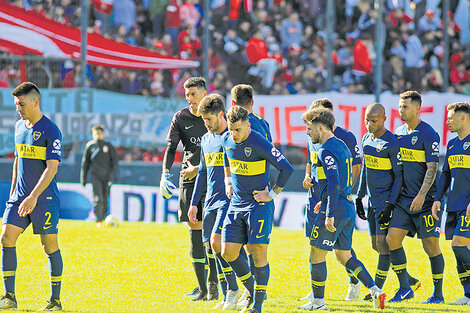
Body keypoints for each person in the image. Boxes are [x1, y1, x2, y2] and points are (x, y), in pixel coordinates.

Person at [298, 108, 386, 311]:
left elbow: (334, 181)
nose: (307, 132)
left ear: (320, 128)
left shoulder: (325, 150)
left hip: (335, 209)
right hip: (346, 205)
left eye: (309, 128)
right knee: (343, 255)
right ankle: (375, 290)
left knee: (316, 254)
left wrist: (329, 211)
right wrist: (326, 200)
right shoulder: (342, 146)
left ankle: (318, 302)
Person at [221, 106, 294, 313]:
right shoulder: (227, 139)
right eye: (231, 129)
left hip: (258, 206)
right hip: (236, 204)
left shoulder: (260, 142)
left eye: (238, 130)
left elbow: (286, 168)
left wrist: (271, 194)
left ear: (248, 126)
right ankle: (253, 290)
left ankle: (258, 306)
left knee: (257, 251)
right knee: (228, 252)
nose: (233, 134)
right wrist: (228, 181)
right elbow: (226, 155)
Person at [0, 82, 63, 311]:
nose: (18, 108)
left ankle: (55, 301)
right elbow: (18, 158)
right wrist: (14, 191)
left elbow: (52, 168)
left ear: (35, 101)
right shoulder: (18, 126)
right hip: (18, 197)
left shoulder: (51, 129)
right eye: (16, 104)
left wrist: (33, 196)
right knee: (6, 238)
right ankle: (9, 297)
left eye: (21, 104)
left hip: (43, 199)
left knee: (49, 246)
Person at [159, 77, 218, 301]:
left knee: (211, 233)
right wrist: (165, 173)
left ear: (204, 93)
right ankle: (203, 287)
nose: (189, 99)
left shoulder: (216, 115)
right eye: (187, 95)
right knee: (194, 230)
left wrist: (200, 168)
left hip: (212, 179)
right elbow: (171, 147)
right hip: (188, 180)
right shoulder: (181, 117)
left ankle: (214, 285)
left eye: (193, 94)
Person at [301, 98, 364, 302]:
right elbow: (311, 159)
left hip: (335, 199)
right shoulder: (314, 136)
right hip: (316, 197)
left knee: (340, 248)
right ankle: (315, 291)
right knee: (316, 245)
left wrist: (342, 192)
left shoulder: (345, 137)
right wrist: (307, 175)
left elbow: (355, 166)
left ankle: (354, 283)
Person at [356, 103, 420, 300]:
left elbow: (399, 177)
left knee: (383, 246)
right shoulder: (366, 139)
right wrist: (359, 196)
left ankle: (377, 290)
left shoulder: (391, 143)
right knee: (376, 245)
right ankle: (409, 280)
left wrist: (391, 204)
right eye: (367, 120)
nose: (369, 124)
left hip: (385, 202)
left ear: (384, 119)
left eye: (374, 121)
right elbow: (365, 169)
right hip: (371, 201)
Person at [386, 91, 444, 303]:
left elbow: (432, 167)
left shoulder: (429, 134)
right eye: (400, 106)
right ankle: (404, 288)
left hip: (426, 201)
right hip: (404, 200)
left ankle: (438, 293)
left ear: (418, 108)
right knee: (392, 239)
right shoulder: (398, 133)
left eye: (406, 107)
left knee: (430, 246)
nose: (401, 110)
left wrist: (421, 195)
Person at [188, 94, 242, 310]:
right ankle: (227, 293)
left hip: (228, 202)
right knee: (212, 250)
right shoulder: (206, 140)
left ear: (221, 115)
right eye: (203, 120)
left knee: (218, 245)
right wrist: (194, 203)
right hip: (209, 202)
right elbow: (202, 172)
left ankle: (236, 289)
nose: (206, 124)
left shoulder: (231, 139)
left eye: (209, 119)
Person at [432, 102, 470, 305]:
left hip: (468, 205)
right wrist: (438, 198)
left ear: (463, 118)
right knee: (459, 254)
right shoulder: (454, 144)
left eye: (451, 117)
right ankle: (468, 294)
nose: (447, 121)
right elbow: (445, 174)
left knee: (459, 247)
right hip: (454, 204)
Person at [81, 125, 118, 226]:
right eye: (95, 133)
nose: (97, 135)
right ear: (93, 135)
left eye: (99, 133)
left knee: (105, 198)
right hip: (95, 176)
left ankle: (105, 218)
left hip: (107, 176)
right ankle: (99, 220)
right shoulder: (90, 146)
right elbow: (85, 163)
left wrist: (114, 175)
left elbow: (114, 161)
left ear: (103, 134)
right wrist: (83, 178)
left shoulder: (108, 146)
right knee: (98, 198)